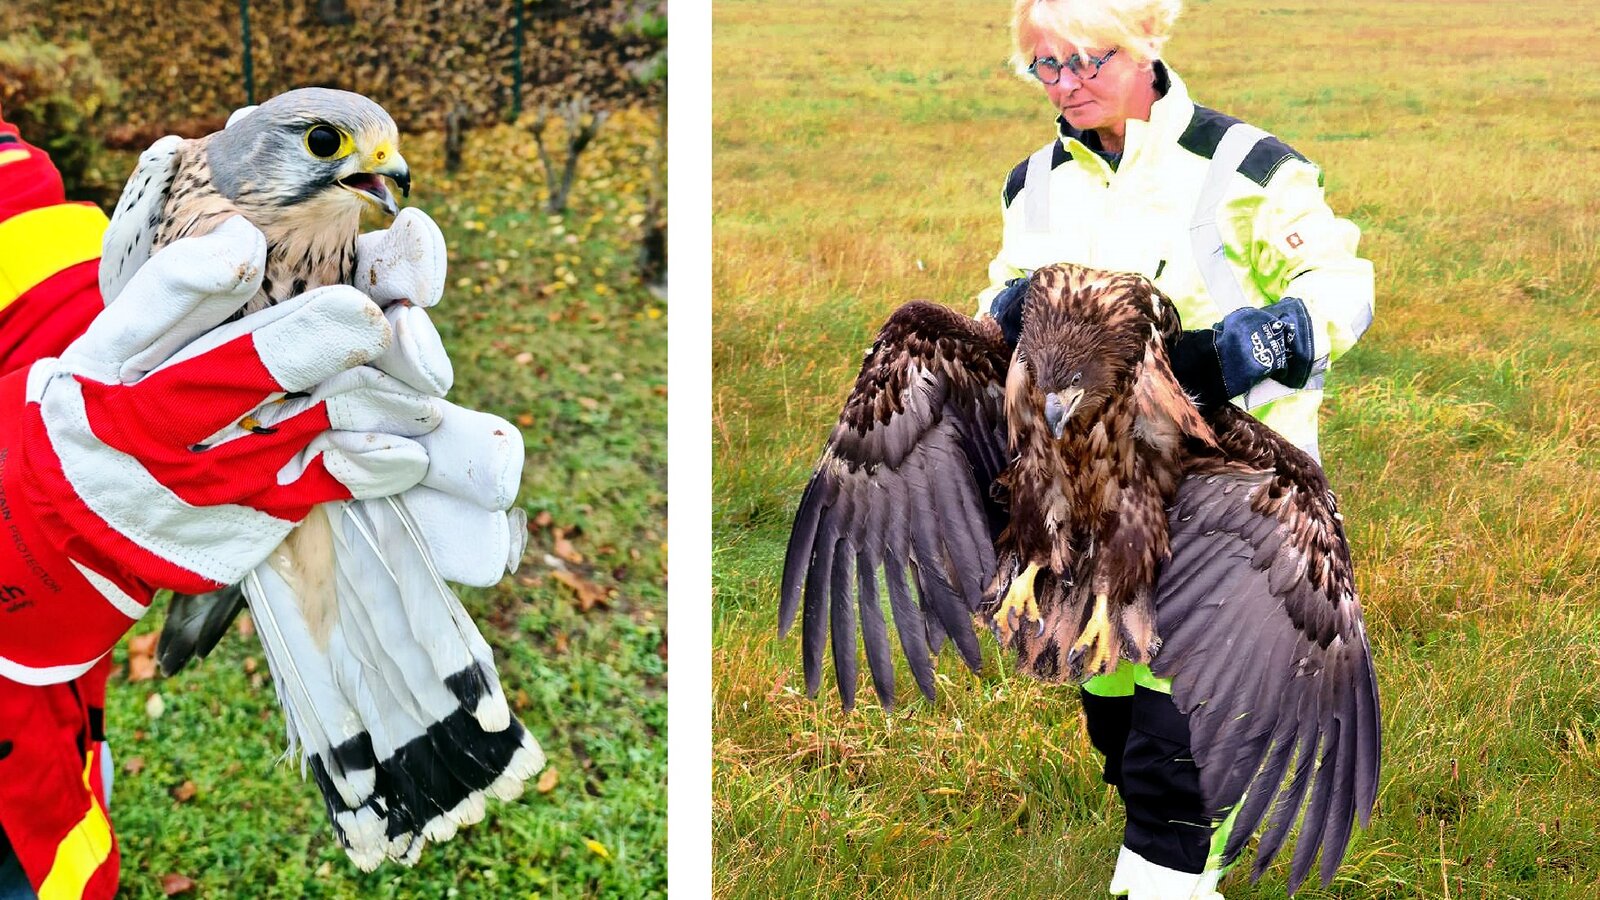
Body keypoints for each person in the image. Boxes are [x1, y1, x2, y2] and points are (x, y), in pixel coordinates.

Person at [0, 110, 521, 899]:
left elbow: (63, 295)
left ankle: (425, 738)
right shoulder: (172, 169)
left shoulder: (17, 176)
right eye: (327, 144)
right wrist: (35, 496)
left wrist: (177, 405)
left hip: (44, 780)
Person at [976, 1, 1375, 897]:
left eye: (1091, 59)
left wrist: (1244, 347)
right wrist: (1005, 311)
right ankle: (1158, 836)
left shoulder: (1246, 167)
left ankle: (1173, 863)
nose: (1068, 83)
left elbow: (1343, 288)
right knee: (1111, 702)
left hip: (1230, 487)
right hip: (1093, 491)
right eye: (1046, 66)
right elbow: (1004, 294)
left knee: (1184, 723)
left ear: (1147, 45)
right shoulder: (1034, 185)